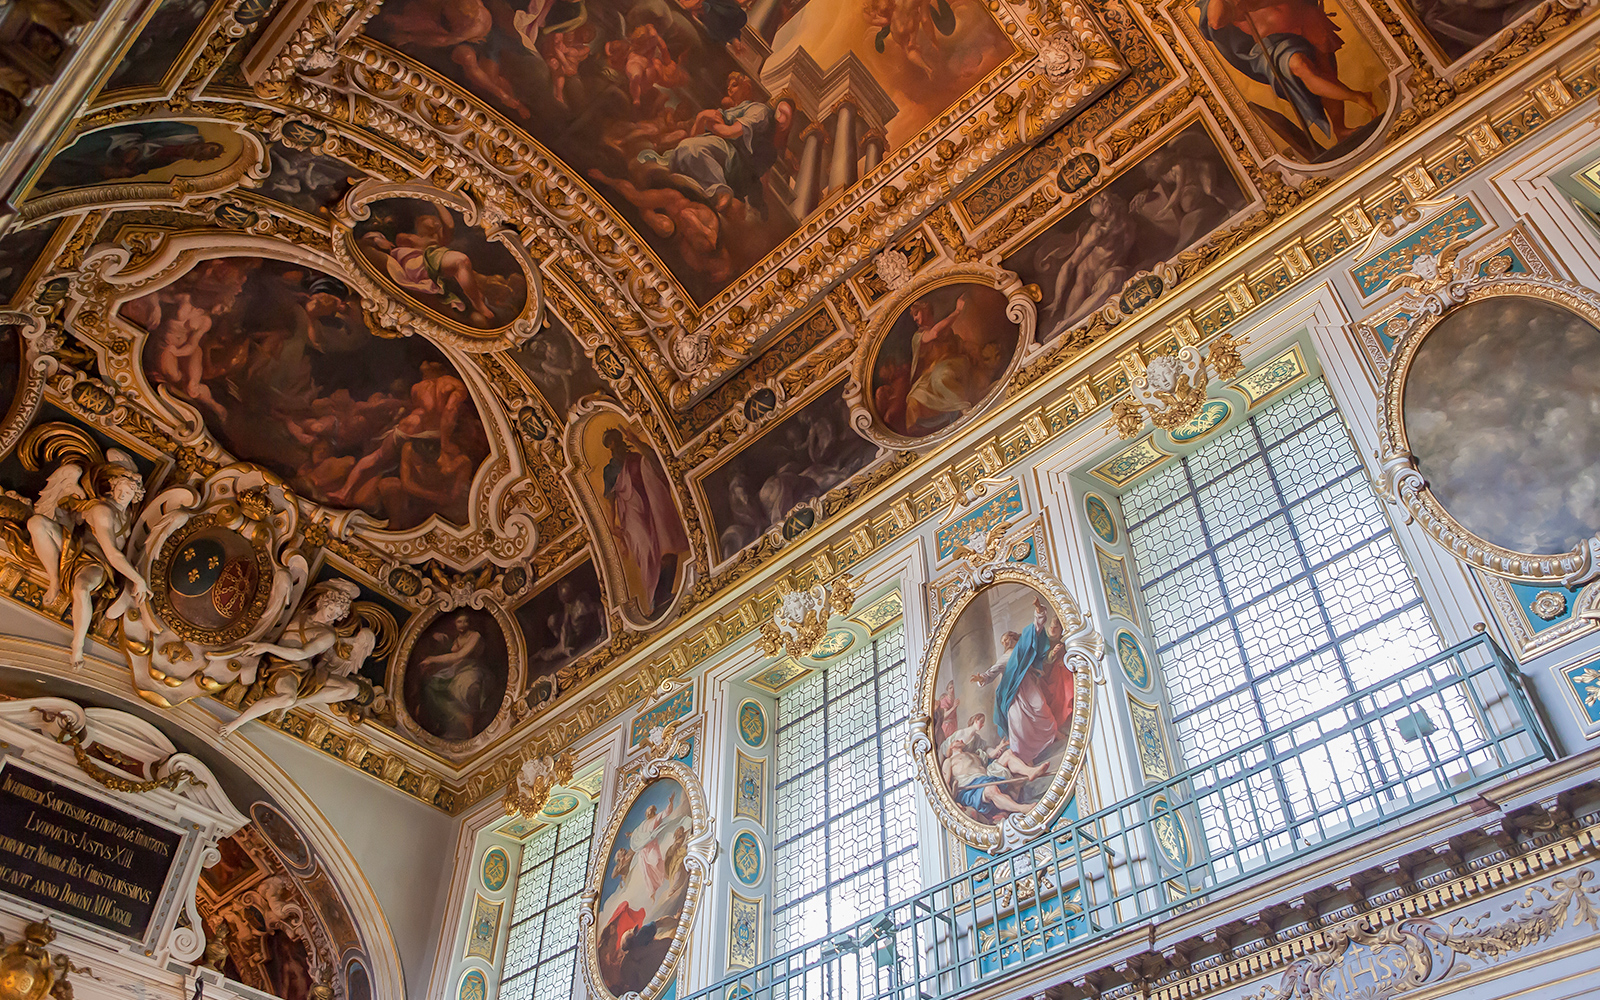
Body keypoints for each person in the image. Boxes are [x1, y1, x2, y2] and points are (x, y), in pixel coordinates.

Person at [25, 452, 147, 669]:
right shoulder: (103, 511)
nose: (122, 495)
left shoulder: (128, 515)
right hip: (80, 552)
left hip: (96, 565)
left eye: (128, 492)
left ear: (135, 495)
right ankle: (55, 581)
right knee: (36, 523)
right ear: (112, 487)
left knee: (81, 588)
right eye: (119, 489)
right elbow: (113, 553)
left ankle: (77, 643)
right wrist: (138, 580)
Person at [1199, 0, 1379, 147]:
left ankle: (1340, 128)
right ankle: (1357, 97)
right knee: (1302, 67)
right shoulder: (1222, 5)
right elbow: (1215, 21)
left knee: (1327, 71)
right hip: (1277, 42)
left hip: (1305, 17)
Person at [212, 581, 375, 738]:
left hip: (297, 670)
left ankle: (240, 721)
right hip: (277, 662)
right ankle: (246, 718)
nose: (331, 615)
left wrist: (266, 647)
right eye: (331, 608)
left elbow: (301, 653)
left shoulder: (328, 635)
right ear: (323, 602)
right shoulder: (302, 612)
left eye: (337, 614)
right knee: (287, 696)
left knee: (351, 689)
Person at [359, 203, 497, 326]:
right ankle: (477, 302)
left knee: (461, 261)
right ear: (419, 222)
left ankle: (477, 302)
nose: (436, 222)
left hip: (426, 264)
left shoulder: (435, 240)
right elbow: (370, 241)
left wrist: (438, 202)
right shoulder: (405, 237)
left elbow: (449, 224)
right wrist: (378, 240)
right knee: (461, 261)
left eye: (438, 222)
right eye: (432, 219)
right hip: (413, 267)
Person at [601, 427, 691, 615]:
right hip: (631, 515)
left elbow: (656, 462)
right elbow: (610, 499)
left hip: (650, 507)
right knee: (646, 550)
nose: (614, 445)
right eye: (610, 442)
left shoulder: (635, 458)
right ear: (609, 446)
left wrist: (636, 440)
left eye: (615, 440)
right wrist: (611, 525)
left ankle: (663, 594)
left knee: (666, 547)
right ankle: (653, 598)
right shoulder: (610, 470)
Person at [972, 597, 1061, 766]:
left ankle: (1053, 734)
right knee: (1017, 722)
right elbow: (992, 672)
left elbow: (1036, 629)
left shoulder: (1023, 647)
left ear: (1013, 637)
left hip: (1027, 685)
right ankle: (1025, 756)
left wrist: (1038, 610)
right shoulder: (1005, 657)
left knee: (1040, 709)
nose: (1005, 642)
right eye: (1003, 642)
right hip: (1012, 694)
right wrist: (981, 678)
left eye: (1006, 639)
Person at [901, 293, 974, 433]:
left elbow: (954, 343)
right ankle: (922, 433)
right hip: (929, 373)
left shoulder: (944, 328)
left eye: (916, 313)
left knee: (940, 377)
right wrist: (957, 311)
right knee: (913, 398)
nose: (915, 319)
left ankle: (964, 408)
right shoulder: (918, 337)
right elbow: (934, 334)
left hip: (953, 363)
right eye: (913, 316)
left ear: (925, 309)